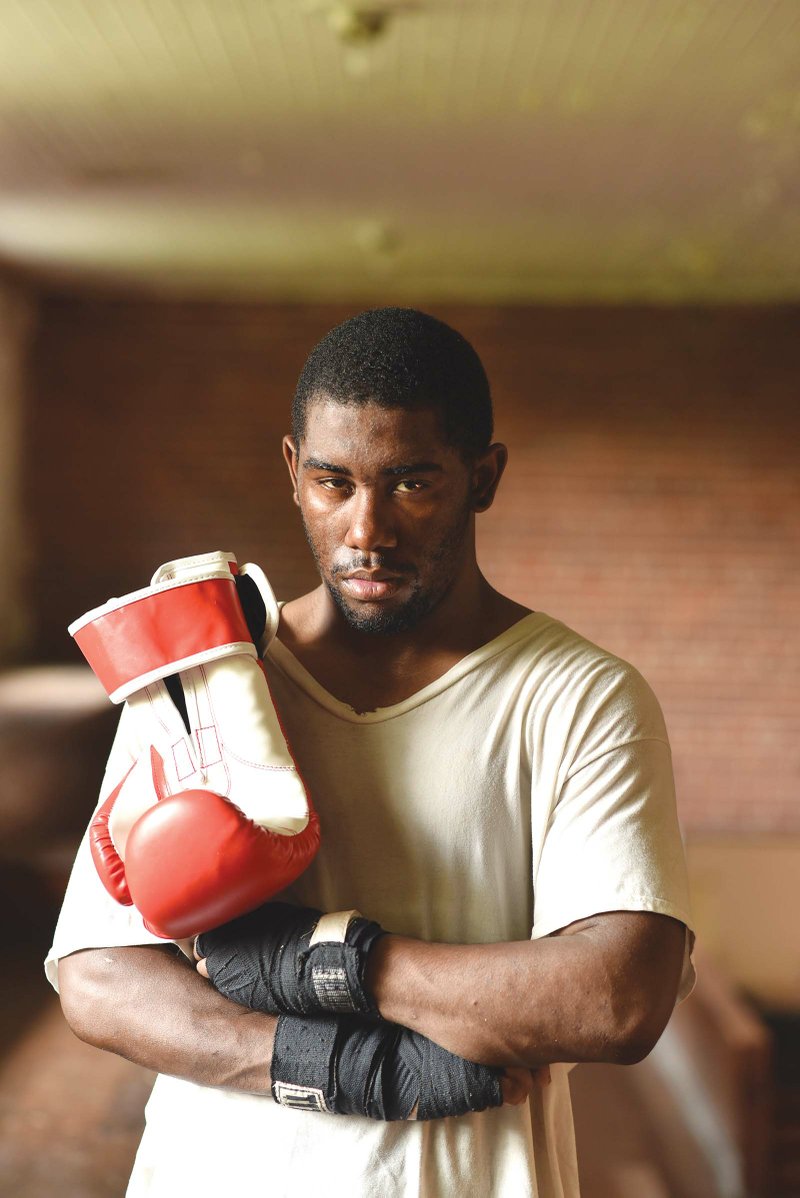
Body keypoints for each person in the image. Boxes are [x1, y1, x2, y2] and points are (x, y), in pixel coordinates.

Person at [47, 307, 694, 1197]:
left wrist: (324, 960)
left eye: (412, 483)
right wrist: (341, 1066)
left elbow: (619, 998)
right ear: (291, 472)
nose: (366, 530)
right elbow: (98, 976)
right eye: (333, 482)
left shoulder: (580, 697)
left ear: (484, 477)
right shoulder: (197, 683)